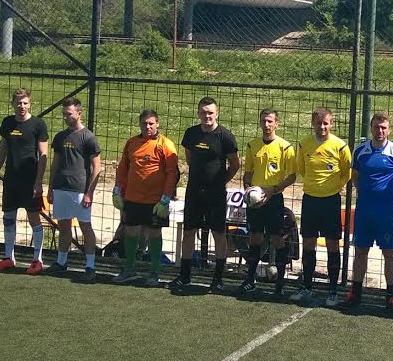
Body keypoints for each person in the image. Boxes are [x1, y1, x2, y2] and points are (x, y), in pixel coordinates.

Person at [172, 97, 239, 291]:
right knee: (189, 232)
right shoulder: (191, 134)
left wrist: (220, 181)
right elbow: (189, 157)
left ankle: (218, 279)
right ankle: (185, 276)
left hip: (215, 194)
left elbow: (235, 164)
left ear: (217, 113)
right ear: (198, 113)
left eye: (210, 112)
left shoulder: (225, 136)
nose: (207, 116)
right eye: (203, 112)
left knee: (218, 233)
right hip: (194, 192)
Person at [346, 112, 393, 310]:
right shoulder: (360, 151)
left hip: (386, 213)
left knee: (389, 253)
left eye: (383, 128)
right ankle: (356, 292)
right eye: (376, 127)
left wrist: (389, 198)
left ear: (389, 130)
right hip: (364, 211)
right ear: (371, 128)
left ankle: (390, 295)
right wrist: (365, 194)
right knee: (360, 251)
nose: (380, 131)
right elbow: (355, 177)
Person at [291, 107, 351, 305]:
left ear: (331, 124)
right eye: (319, 123)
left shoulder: (340, 146)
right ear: (313, 124)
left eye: (326, 123)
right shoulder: (304, 144)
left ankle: (333, 291)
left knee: (333, 244)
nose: (322, 127)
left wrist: (333, 187)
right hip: (310, 200)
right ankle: (307, 287)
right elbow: (301, 168)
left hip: (331, 201)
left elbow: (346, 172)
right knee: (309, 243)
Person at [112, 109, 179, 286]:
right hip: (132, 198)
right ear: (139, 124)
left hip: (156, 201)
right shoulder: (131, 143)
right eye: (144, 123)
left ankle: (154, 273)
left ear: (157, 123)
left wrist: (165, 199)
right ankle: (129, 269)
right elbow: (123, 168)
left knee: (155, 233)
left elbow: (172, 173)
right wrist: (117, 191)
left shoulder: (166, 144)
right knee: (130, 231)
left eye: (151, 123)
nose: (147, 127)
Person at [0, 88, 49, 274]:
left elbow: (44, 154)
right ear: (12, 104)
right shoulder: (8, 122)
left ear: (30, 104)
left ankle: (37, 260)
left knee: (34, 218)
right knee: (8, 217)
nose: (21, 106)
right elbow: (3, 149)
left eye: (25, 103)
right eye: (18, 103)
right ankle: (9, 257)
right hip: (11, 180)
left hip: (30, 180)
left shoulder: (38, 124)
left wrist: (38, 181)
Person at [239, 109, 297, 296]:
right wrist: (247, 189)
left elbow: (292, 176)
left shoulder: (285, 147)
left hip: (274, 199)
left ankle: (280, 282)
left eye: (270, 121)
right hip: (255, 201)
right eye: (264, 121)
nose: (266, 125)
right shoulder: (252, 145)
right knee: (255, 238)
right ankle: (250, 279)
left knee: (277, 239)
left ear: (276, 123)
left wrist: (273, 190)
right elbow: (248, 173)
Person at [45, 97, 102, 282]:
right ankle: (61, 262)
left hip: (80, 190)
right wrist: (51, 187)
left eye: (69, 114)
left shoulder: (88, 137)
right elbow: (55, 164)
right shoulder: (60, 137)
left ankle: (90, 266)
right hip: (61, 188)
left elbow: (97, 167)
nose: (65, 117)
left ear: (79, 113)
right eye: (63, 114)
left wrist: (89, 193)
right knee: (63, 226)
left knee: (85, 227)